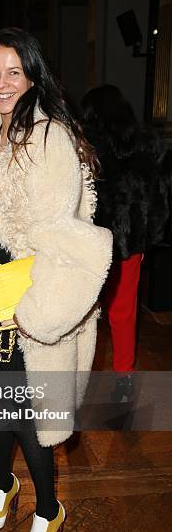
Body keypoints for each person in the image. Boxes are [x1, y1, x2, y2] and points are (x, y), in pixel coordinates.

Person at [0, 28, 112, 532]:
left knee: (24, 404)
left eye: (13, 72)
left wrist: (35, 308)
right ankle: (3, 484)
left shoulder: (47, 136)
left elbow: (62, 234)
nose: (1, 84)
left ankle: (49, 508)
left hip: (22, 287)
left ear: (32, 76)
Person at [81, 85, 168, 400]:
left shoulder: (85, 147)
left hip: (89, 246)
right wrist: (145, 241)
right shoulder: (145, 147)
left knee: (83, 315)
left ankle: (80, 383)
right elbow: (160, 202)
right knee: (123, 313)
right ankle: (123, 382)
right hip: (130, 247)